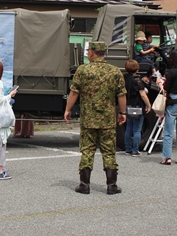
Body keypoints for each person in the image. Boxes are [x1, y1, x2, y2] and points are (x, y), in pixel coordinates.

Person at [64, 41, 127, 195]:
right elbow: (121, 94)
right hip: (107, 120)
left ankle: (84, 184)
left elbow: (74, 92)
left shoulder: (83, 70)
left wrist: (67, 109)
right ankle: (112, 185)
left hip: (88, 119)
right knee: (109, 151)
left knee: (87, 150)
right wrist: (123, 113)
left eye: (88, 52)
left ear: (92, 53)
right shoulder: (114, 71)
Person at [124, 59, 151, 156]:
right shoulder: (138, 80)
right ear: (137, 68)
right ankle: (135, 150)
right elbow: (143, 95)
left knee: (128, 128)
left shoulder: (125, 78)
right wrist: (148, 105)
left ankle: (127, 149)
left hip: (127, 105)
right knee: (137, 130)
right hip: (137, 106)